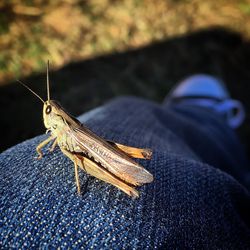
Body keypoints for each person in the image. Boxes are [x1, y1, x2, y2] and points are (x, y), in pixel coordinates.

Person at [0, 75, 249, 249]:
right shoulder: (62, 127)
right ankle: (202, 116)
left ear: (55, 114)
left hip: (97, 155)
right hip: (88, 144)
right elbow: (56, 141)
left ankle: (127, 184)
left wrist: (65, 171)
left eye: (49, 109)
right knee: (127, 108)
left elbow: (76, 158)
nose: (48, 112)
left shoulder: (64, 129)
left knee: (82, 155)